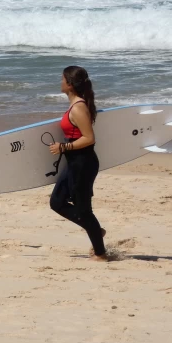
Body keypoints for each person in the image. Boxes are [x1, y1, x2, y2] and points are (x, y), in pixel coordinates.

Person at [48, 66, 108, 261]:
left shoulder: (79, 107)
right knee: (57, 202)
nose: (60, 82)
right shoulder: (75, 105)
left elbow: (89, 138)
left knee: (83, 210)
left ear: (70, 84)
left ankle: (100, 253)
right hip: (74, 163)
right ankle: (96, 229)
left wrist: (64, 147)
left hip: (83, 163)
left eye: (62, 79)